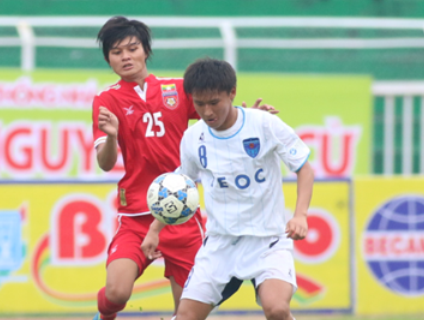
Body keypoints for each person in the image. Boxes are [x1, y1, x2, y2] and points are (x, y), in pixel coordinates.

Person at [92, 17, 278, 320]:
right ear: (108, 60)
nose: (125, 56)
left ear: (146, 51)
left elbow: (218, 115)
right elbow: (105, 162)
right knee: (116, 293)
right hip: (137, 215)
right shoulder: (106, 99)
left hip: (182, 215)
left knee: (188, 314)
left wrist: (249, 119)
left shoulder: (176, 89)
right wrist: (112, 136)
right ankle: (104, 315)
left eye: (132, 48)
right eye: (116, 52)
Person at [141, 58, 314, 320]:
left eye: (214, 103)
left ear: (232, 93)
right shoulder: (193, 138)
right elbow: (180, 188)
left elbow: (304, 168)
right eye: (199, 104)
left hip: (267, 240)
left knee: (277, 309)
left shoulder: (264, 124)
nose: (207, 111)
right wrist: (154, 230)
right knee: (185, 316)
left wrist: (300, 215)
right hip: (220, 244)